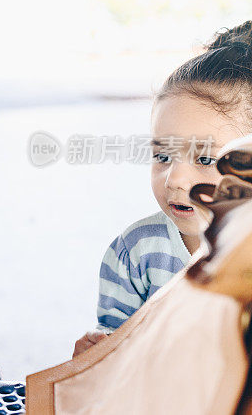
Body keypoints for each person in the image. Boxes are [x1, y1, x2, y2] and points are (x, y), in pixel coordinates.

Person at [73, 37, 252, 357]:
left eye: (206, 159)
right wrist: (98, 353)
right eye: (163, 155)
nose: (174, 179)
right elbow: (116, 344)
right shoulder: (135, 252)